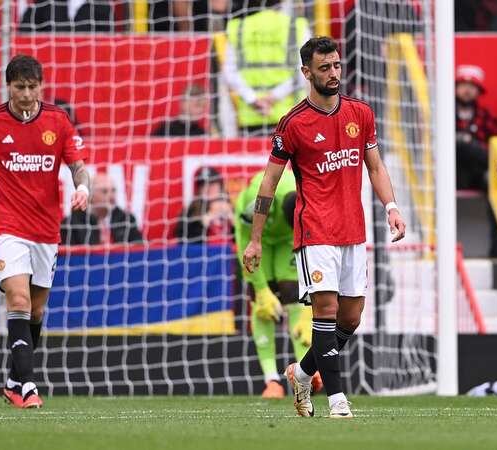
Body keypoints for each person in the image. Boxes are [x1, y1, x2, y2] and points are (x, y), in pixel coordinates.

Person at [243, 36, 406, 418]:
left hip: (353, 229)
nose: (334, 74)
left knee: (350, 318)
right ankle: (337, 400)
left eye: (336, 65)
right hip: (314, 229)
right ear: (306, 72)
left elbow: (376, 167)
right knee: (326, 309)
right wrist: (255, 240)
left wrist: (392, 207)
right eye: (324, 68)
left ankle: (301, 373)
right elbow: (268, 184)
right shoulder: (293, 124)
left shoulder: (361, 114)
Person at [0, 54, 90, 409]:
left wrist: (83, 188)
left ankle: (13, 381)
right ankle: (28, 386)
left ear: (41, 86)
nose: (26, 94)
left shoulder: (58, 120)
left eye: (32, 87)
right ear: (8, 86)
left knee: (37, 312)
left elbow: (78, 166)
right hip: (8, 226)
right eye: (19, 87)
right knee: (18, 301)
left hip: (46, 228)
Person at [235, 170, 321, 398]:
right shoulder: (257, 200)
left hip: (286, 242)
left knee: (295, 296)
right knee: (263, 304)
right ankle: (271, 380)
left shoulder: (307, 195)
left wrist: (309, 306)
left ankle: (306, 373)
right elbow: (244, 241)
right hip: (256, 237)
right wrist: (260, 288)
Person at [222, 0, 311, 136]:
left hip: (252, 114)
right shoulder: (297, 26)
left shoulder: (238, 27)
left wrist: (253, 99)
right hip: (292, 114)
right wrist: (274, 97)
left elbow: (229, 72)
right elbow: (306, 70)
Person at [455, 65, 497, 191]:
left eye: (472, 86)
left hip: (479, 170)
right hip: (452, 170)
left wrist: (469, 143)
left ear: (478, 91)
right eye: (463, 85)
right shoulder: (444, 115)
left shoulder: (487, 117)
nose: (467, 90)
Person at [61, 173, 143, 245]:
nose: (111, 196)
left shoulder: (126, 220)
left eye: (113, 190)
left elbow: (138, 248)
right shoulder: (72, 223)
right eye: (105, 191)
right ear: (91, 196)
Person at [173, 167, 233, 243]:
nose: (208, 188)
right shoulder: (191, 211)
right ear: (199, 190)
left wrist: (233, 220)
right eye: (203, 185)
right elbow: (183, 242)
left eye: (212, 183)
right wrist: (207, 218)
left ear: (220, 185)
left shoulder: (232, 208)